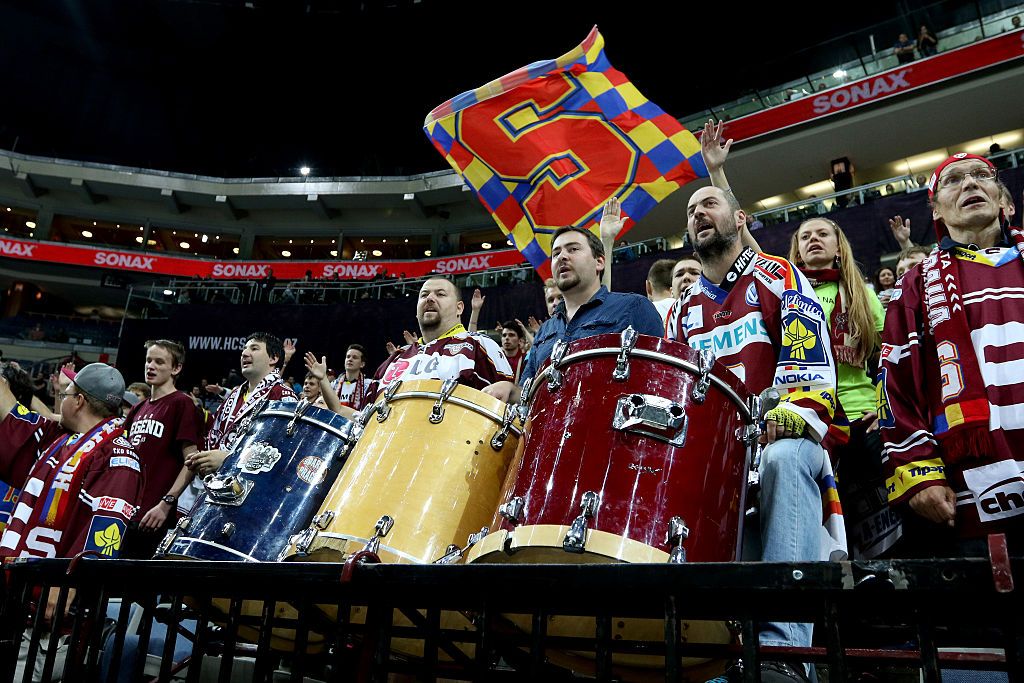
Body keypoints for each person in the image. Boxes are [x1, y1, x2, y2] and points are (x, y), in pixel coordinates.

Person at [668, 185, 841, 682]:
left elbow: (811, 368)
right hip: (718, 455)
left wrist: (790, 413)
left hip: (782, 442)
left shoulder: (778, 274)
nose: (698, 213)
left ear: (739, 218)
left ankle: (783, 653)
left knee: (787, 456)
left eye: (709, 204)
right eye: (691, 210)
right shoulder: (682, 309)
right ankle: (701, 653)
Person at [878, 152, 1024, 556]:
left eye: (981, 176)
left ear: (1001, 199)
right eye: (953, 180)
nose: (971, 184)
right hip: (974, 485)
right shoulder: (915, 286)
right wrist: (919, 473)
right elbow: (895, 386)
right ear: (937, 209)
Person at [484, 198, 665, 403]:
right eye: (556, 253)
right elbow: (529, 395)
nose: (562, 257)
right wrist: (510, 390)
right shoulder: (545, 331)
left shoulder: (635, 307)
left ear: (599, 262)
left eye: (573, 249)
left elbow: (657, 380)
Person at [789, 219, 893, 559]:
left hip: (862, 413)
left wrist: (883, 407)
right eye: (805, 236)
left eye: (822, 234)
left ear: (838, 247)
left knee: (884, 516)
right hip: (810, 419)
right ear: (798, 250)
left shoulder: (862, 294)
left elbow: (892, 354)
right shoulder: (786, 294)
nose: (813, 240)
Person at [0, 363, 143, 560]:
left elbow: (101, 541)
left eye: (64, 395)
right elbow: (11, 414)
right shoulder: (62, 438)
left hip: (57, 586)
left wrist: (62, 589)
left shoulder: (119, 458)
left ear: (78, 401)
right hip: (23, 576)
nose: (61, 401)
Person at [119, 340, 204, 559]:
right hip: (126, 511)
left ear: (176, 368)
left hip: (154, 514)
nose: (151, 366)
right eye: (148, 360)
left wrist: (166, 503)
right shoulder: (138, 408)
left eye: (159, 362)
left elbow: (192, 461)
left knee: (139, 590)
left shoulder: (182, 404)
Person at [371, 278, 513, 398]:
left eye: (440, 294)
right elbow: (362, 420)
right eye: (424, 295)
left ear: (459, 308)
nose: (430, 299)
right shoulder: (393, 361)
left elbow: (509, 410)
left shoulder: (481, 346)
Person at [186, 332, 297, 476]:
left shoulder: (283, 396)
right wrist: (203, 460)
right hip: (216, 487)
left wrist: (229, 459)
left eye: (254, 348)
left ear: (273, 358)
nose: (244, 353)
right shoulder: (234, 395)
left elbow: (285, 454)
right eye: (244, 349)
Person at [499, 320, 528, 384]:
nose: (507, 338)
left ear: (519, 340)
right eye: (504, 335)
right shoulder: (496, 359)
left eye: (511, 335)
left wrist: (525, 331)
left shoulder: (526, 360)